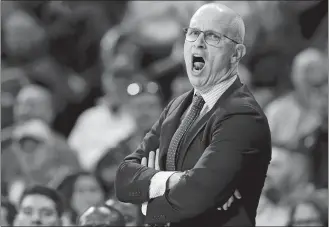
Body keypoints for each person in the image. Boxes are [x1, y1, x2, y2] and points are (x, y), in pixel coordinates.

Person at [115, 3, 271, 226]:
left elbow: (199, 194)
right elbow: (124, 178)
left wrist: (150, 200)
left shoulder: (243, 114)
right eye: (193, 33)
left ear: (236, 54)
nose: (198, 43)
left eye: (212, 36)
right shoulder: (176, 107)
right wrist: (176, 179)